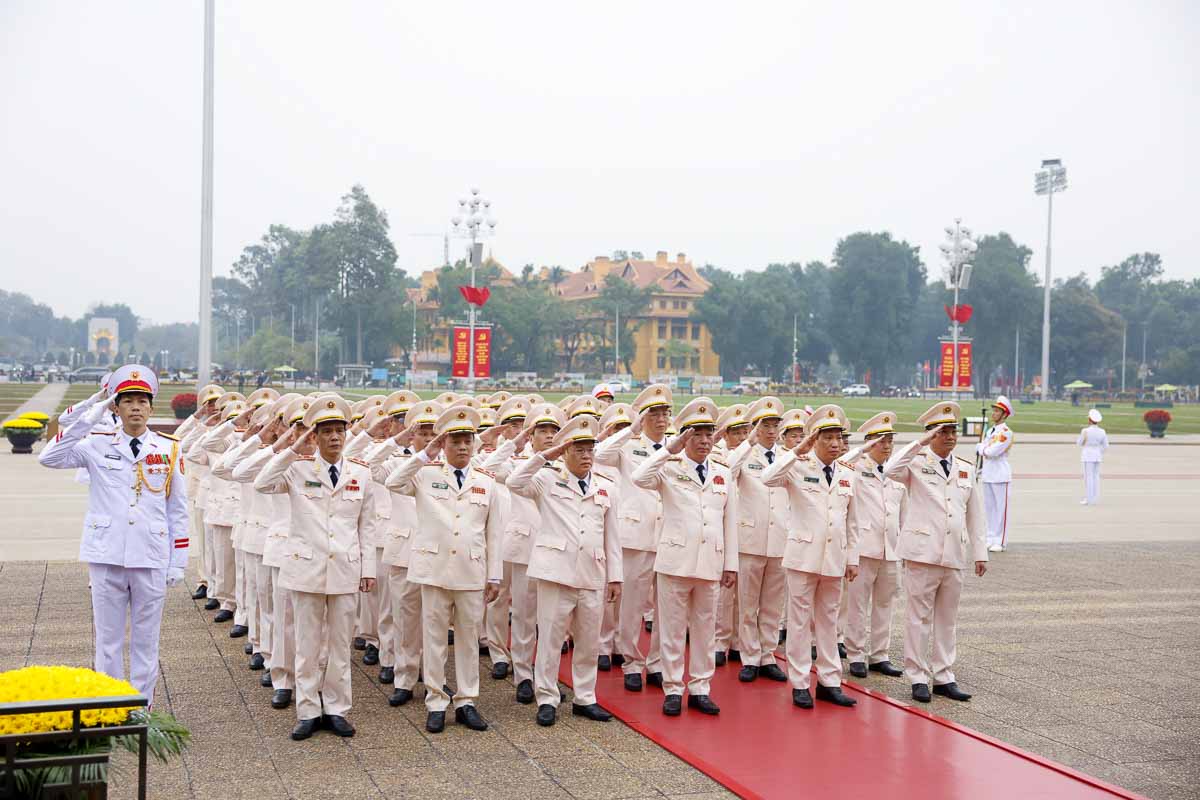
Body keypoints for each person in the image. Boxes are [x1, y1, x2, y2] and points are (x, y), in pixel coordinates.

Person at [38, 365, 189, 701]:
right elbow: (49, 457)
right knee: (108, 639)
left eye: (142, 401)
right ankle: (109, 705)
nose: (135, 407)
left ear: (151, 408)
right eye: (127, 401)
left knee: (146, 640)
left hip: (150, 554)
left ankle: (140, 705)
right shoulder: (95, 443)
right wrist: (93, 415)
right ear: (116, 407)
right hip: (107, 553)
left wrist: (178, 561)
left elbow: (177, 509)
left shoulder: (169, 449)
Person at [254, 394, 380, 740]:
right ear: (315, 435)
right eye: (326, 431)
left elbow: (366, 527)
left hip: (345, 568)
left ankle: (337, 708)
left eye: (339, 430)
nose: (334, 437)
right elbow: (261, 482)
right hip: (306, 568)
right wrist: (294, 448)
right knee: (307, 644)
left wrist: (368, 569)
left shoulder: (361, 473)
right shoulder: (296, 469)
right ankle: (308, 709)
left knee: (340, 645)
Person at [385, 406, 504, 734]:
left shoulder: (486, 482)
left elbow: (494, 532)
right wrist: (425, 453)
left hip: (471, 571)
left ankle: (466, 700)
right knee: (434, 638)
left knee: (466, 638)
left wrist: (494, 575)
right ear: (444, 443)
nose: (463, 447)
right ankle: (436, 700)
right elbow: (393, 482)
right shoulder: (425, 474)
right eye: (455, 441)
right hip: (434, 569)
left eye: (468, 440)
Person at [507, 415, 623, 726]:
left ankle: (585, 696)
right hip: (556, 572)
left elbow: (612, 535)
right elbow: (514, 482)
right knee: (550, 638)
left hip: (592, 572)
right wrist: (546, 455)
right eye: (580, 450)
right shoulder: (547, 479)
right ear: (566, 451)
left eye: (590, 450)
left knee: (588, 640)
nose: (587, 456)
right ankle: (547, 697)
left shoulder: (605, 486)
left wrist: (615, 576)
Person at [632, 398, 737, 717]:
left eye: (709, 434)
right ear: (685, 437)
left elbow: (729, 520)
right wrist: (668, 450)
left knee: (705, 630)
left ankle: (701, 688)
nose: (705, 440)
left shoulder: (722, 473)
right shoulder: (668, 468)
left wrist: (730, 563)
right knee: (673, 629)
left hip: (709, 561)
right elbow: (638, 477)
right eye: (697, 434)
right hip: (675, 562)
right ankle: (674, 688)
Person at [884, 402, 988, 704]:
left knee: (947, 618)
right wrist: (919, 444)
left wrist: (980, 552)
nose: (950, 437)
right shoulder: (914, 463)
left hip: (954, 553)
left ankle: (944, 675)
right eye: (943, 432)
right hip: (922, 552)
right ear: (930, 435)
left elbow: (975, 514)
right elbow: (890, 470)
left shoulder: (966, 468)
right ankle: (917, 675)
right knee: (918, 618)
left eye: (953, 431)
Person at [761, 404, 860, 709]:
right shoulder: (797, 466)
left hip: (833, 557)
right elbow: (767, 477)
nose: (834, 443)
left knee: (829, 622)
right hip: (803, 557)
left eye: (838, 437)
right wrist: (796, 451)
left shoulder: (847, 472)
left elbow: (851, 520)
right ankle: (800, 682)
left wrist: (852, 557)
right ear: (814, 440)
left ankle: (830, 682)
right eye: (827, 437)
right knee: (800, 622)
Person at [479, 399, 566, 703]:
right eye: (542, 430)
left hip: (558, 553)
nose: (550, 436)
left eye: (554, 430)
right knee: (525, 615)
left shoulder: (566, 464)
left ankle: (547, 679)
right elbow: (485, 468)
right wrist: (514, 444)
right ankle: (523, 674)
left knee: (551, 621)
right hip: (525, 548)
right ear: (531, 435)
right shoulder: (518, 463)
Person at [595, 384, 673, 692]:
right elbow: (600, 454)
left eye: (665, 413)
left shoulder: (675, 448)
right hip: (636, 536)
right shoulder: (629, 445)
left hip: (668, 537)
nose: (660, 419)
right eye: (653, 413)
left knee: (666, 609)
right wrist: (631, 430)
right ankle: (631, 660)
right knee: (631, 606)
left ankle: (656, 662)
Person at [365, 398, 441, 707]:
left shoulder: (447, 466)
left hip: (435, 550)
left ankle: (431, 674)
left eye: (432, 432)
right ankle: (403, 674)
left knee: (433, 620)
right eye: (421, 432)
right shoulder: (396, 461)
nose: (427, 437)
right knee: (401, 616)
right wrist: (397, 440)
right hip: (403, 548)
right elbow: (369, 466)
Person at [724, 396, 789, 683]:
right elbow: (727, 469)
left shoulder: (788, 455)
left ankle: (767, 656)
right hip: (750, 539)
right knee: (748, 604)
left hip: (779, 540)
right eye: (765, 424)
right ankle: (749, 656)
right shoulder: (744, 454)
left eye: (776, 424)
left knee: (773, 605)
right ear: (755, 427)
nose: (771, 430)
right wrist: (747, 442)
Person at [842, 412, 906, 680]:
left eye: (890, 440)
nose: (887, 446)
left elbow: (903, 512)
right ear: (869, 443)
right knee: (856, 604)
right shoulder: (856, 468)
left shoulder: (896, 472)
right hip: (863, 547)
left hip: (890, 548)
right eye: (881, 441)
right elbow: (841, 462)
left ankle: (880, 654)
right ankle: (855, 654)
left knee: (884, 604)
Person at [172, 384, 224, 601]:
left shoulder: (234, 426)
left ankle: (221, 588)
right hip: (203, 492)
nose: (213, 407)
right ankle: (205, 581)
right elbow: (177, 440)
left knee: (224, 548)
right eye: (208, 403)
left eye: (216, 403)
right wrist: (200, 418)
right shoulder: (201, 428)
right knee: (205, 543)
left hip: (228, 495)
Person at [712, 403, 751, 665]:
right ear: (725, 434)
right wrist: (750, 446)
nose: (742, 438)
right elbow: (729, 468)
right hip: (723, 532)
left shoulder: (753, 454)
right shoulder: (717, 454)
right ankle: (720, 641)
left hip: (747, 532)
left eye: (745, 432)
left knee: (744, 597)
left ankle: (738, 642)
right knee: (724, 595)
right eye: (736, 433)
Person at [976, 395, 1014, 553]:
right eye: (994, 410)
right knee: (989, 508)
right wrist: (982, 448)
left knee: (1001, 510)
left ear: (1004, 414)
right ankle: (991, 537)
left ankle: (1001, 540)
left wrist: (980, 448)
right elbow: (985, 449)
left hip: (1000, 474)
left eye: (997, 411)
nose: (994, 413)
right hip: (988, 473)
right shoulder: (991, 430)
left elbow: (992, 451)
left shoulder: (1006, 432)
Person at [1078, 409, 1109, 505]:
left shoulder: (1085, 431)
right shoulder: (1102, 431)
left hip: (1088, 455)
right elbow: (1106, 446)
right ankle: (1094, 498)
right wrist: (1099, 452)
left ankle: (1089, 499)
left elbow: (1079, 443)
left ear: (1090, 420)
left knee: (1088, 477)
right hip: (1097, 455)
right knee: (1096, 477)